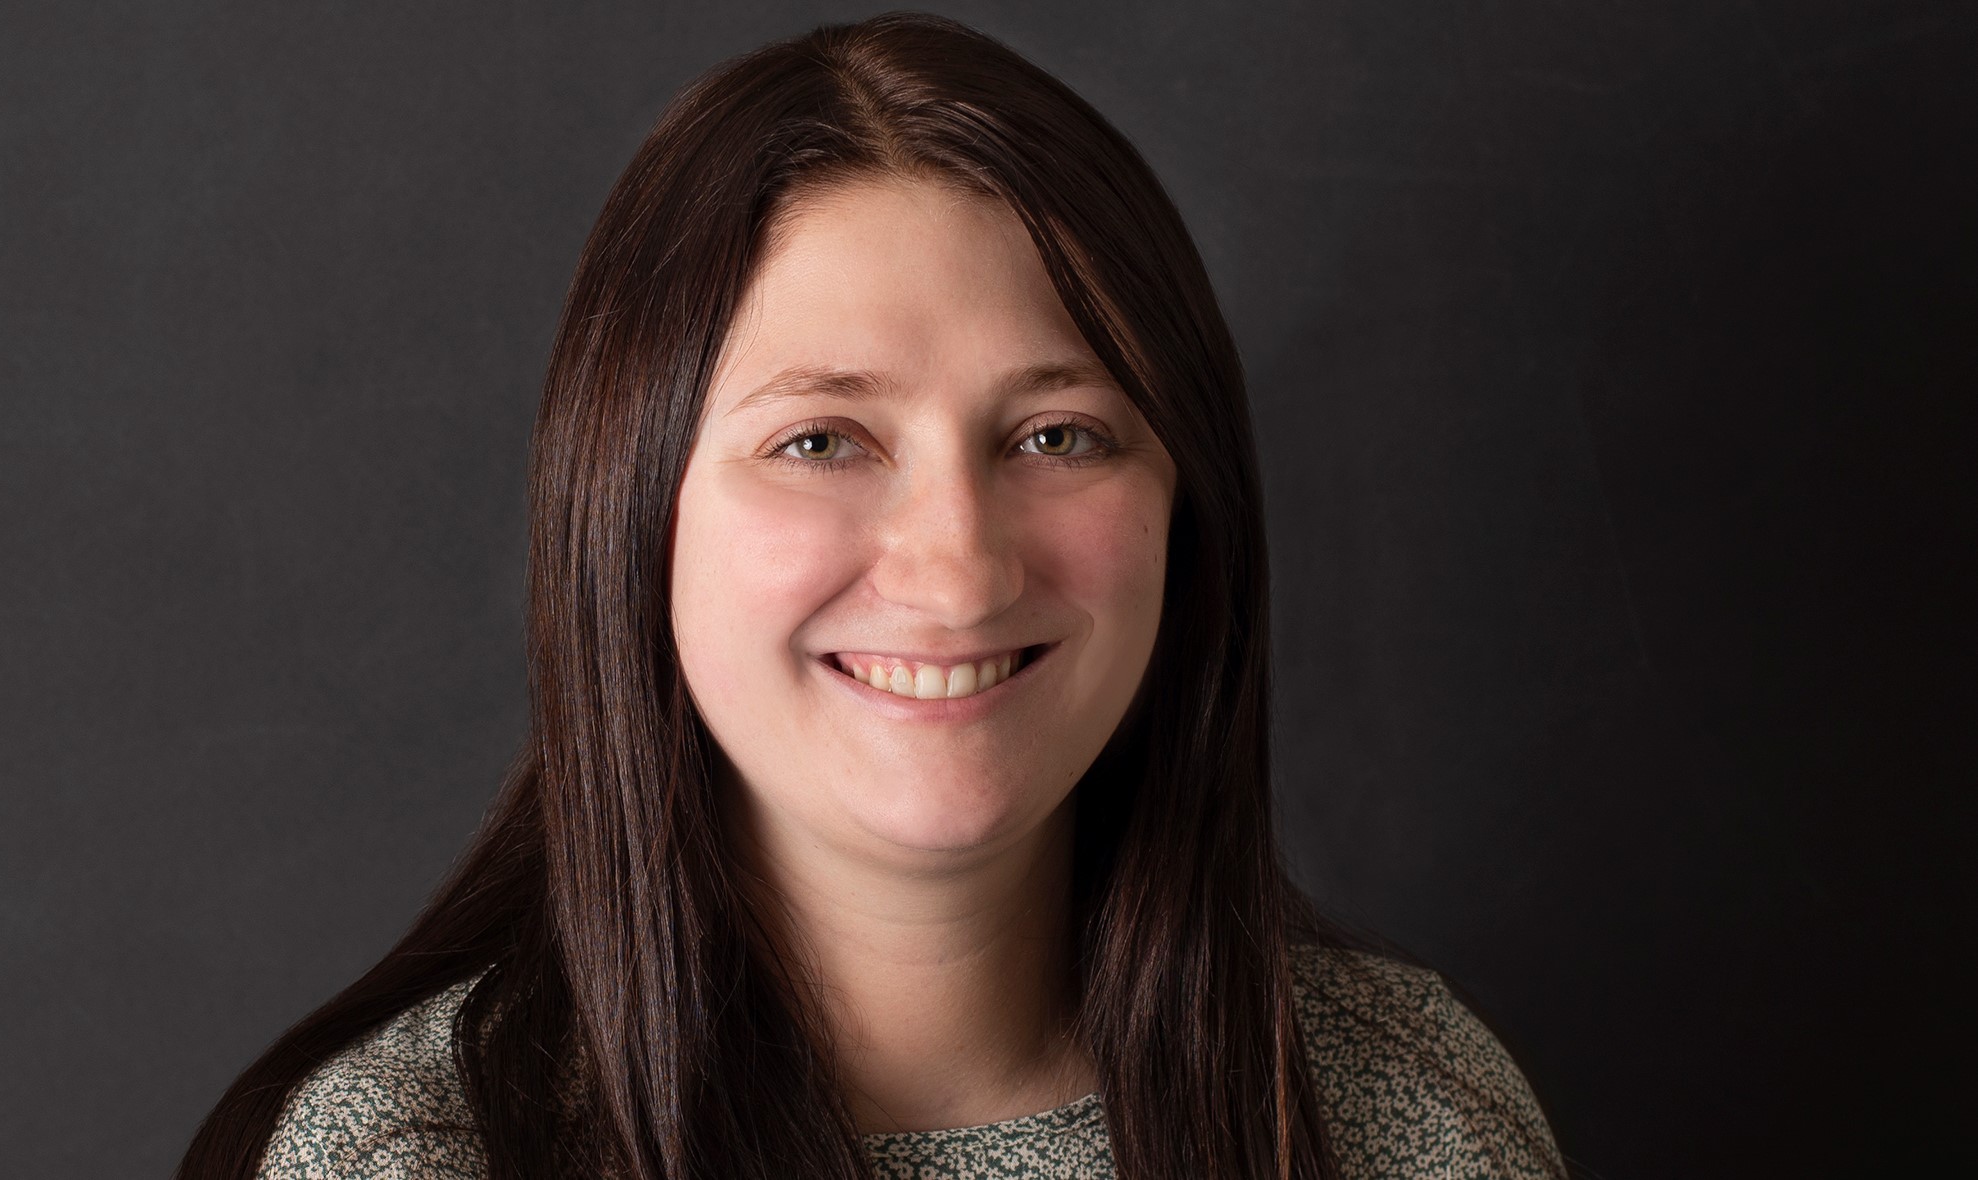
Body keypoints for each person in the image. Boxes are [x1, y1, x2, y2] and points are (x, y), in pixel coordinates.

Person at [180, 12, 1563, 1179]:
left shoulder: (1406, 1121)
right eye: (821, 442)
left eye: (1056, 435)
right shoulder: (412, 1156)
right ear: (631, 513)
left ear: (1185, 510)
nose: (957, 567)